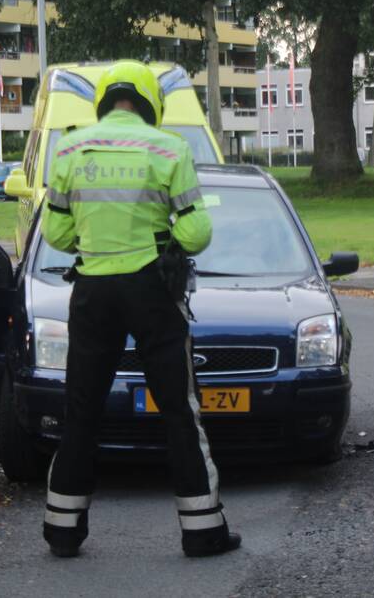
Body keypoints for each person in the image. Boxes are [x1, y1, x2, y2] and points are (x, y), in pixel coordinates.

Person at [39, 60, 239, 558]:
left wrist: (96, 241)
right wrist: (165, 237)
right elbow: (196, 233)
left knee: (81, 410)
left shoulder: (69, 148)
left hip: (92, 290)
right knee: (179, 411)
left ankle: (63, 531)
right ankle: (202, 531)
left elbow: (57, 232)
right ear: (152, 101)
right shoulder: (169, 148)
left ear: (103, 100)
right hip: (151, 289)